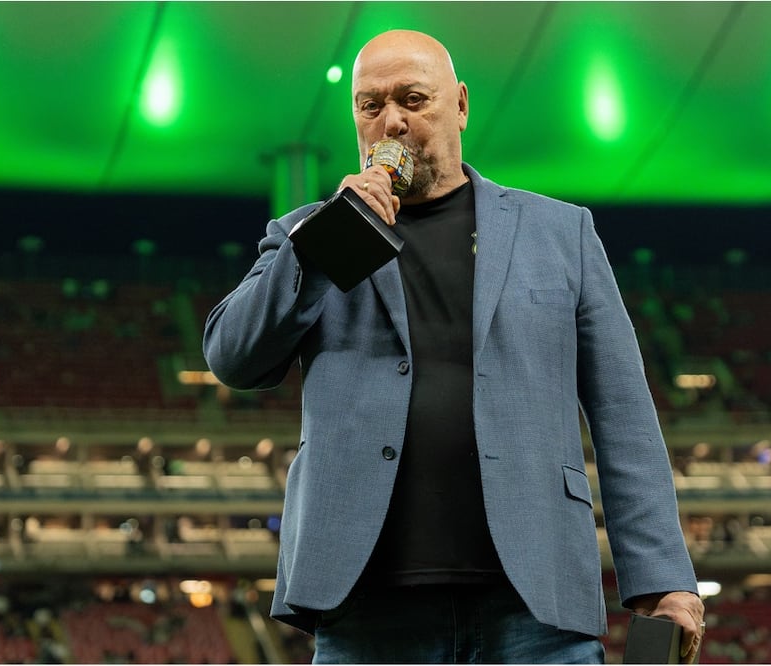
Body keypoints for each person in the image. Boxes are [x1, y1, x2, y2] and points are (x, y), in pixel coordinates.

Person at [204, 29, 704, 664]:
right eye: (370, 105)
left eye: (413, 99)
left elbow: (624, 413)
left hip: (535, 606)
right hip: (368, 610)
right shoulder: (314, 234)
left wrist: (663, 581)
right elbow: (233, 357)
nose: (392, 122)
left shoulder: (560, 233)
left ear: (460, 105)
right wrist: (327, 243)